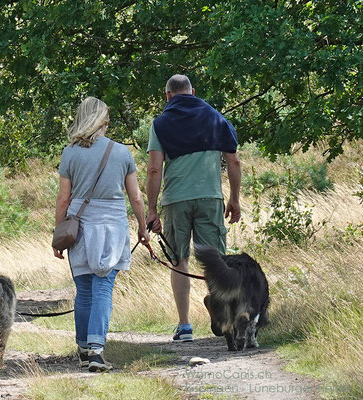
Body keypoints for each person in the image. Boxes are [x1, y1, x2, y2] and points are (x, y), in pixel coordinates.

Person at [53, 96, 149, 372]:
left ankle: (83, 349)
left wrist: (58, 233)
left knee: (84, 289)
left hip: (80, 227)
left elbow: (63, 199)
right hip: (112, 228)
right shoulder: (122, 153)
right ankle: (96, 350)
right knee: (103, 287)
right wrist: (142, 227)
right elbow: (136, 197)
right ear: (105, 122)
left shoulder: (70, 152)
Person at [146, 74, 242, 343]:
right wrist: (234, 199)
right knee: (216, 263)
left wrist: (151, 210)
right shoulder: (216, 118)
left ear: (167, 96)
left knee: (179, 260)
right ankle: (226, 321)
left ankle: (185, 326)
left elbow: (154, 169)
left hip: (176, 199)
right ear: (193, 91)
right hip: (211, 197)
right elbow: (233, 162)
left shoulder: (161, 124)